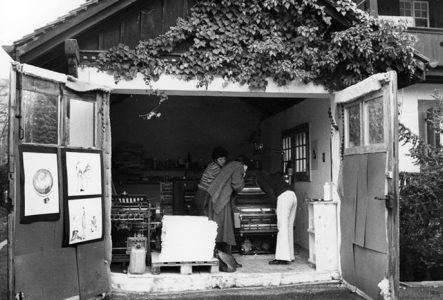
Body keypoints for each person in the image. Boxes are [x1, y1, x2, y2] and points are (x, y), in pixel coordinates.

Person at [206, 155, 249, 267]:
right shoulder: (239, 166)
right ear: (245, 165)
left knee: (218, 229)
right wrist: (243, 176)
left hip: (216, 197)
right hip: (220, 200)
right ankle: (224, 259)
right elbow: (237, 184)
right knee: (224, 230)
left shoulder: (231, 165)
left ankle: (222, 258)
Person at [256, 171, 297, 265]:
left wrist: (275, 206)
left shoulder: (260, 180)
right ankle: (290, 255)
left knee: (282, 228)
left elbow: (270, 192)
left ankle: (282, 258)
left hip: (284, 197)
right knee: (289, 227)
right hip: (293, 195)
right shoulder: (272, 178)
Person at [194, 146, 228, 215]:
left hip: (202, 194)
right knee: (205, 219)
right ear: (215, 160)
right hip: (203, 195)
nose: (223, 161)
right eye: (220, 159)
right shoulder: (215, 168)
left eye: (224, 159)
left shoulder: (213, 165)